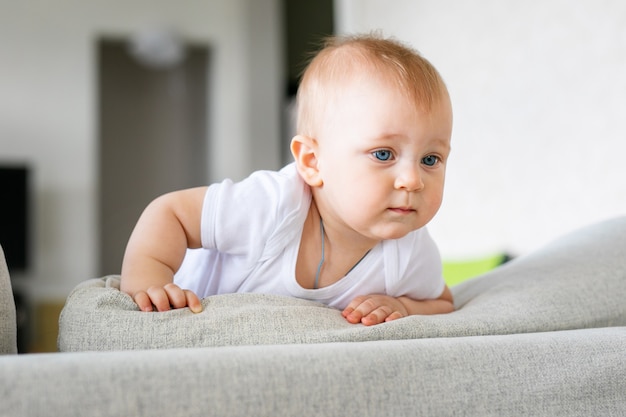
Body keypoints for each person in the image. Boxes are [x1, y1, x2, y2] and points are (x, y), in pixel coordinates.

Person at [120, 33, 455, 326]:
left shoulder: (408, 250)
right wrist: (151, 278)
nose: (412, 181)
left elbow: (442, 302)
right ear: (312, 162)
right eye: (383, 154)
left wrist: (402, 306)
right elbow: (171, 213)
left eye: (430, 159)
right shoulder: (270, 205)